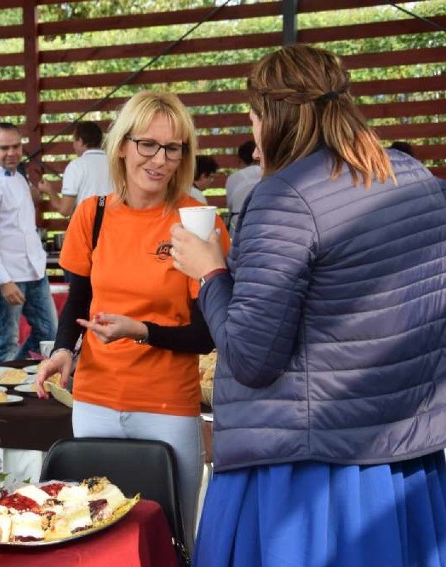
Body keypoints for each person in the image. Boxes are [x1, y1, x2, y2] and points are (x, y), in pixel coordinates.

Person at [171, 45, 446, 566]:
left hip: (304, 468)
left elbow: (252, 358)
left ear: (271, 116)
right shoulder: (415, 178)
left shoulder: (285, 197)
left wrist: (210, 271)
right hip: (404, 458)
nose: (252, 133)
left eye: (252, 118)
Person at [35, 90, 229, 553]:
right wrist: (64, 350)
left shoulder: (197, 221)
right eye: (148, 144)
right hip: (96, 402)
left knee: (172, 539)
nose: (159, 160)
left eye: (173, 148)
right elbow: (77, 301)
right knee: (96, 537)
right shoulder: (93, 215)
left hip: (167, 408)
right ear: (123, 145)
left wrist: (139, 331)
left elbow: (205, 335)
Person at [0, 122, 57, 363]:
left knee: (49, 333)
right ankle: (0, 393)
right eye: (4, 147)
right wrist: (3, 281)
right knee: (6, 341)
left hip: (34, 271)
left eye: (16, 146)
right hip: (6, 275)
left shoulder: (18, 176)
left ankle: (14, 373)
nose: (12, 152)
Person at [38, 121, 113, 216]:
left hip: (87, 228)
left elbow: (65, 210)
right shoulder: (115, 164)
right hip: (115, 226)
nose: (73, 145)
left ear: (81, 142)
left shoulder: (76, 166)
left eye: (74, 140)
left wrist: (49, 190)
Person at [224, 140, 261, 230]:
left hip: (237, 222)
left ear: (241, 160)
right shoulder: (269, 173)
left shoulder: (232, 178)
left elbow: (230, 205)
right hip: (263, 219)